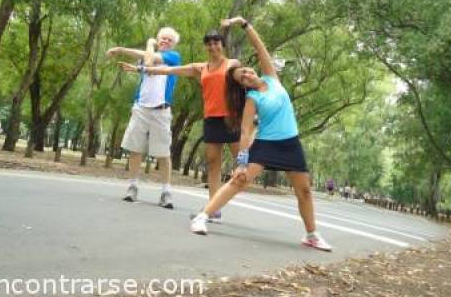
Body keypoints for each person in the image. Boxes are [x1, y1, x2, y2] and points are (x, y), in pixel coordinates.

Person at [189, 16, 332, 251]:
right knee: (239, 180)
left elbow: (260, 47)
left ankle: (312, 235)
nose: (246, 75)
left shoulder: (272, 78)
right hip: (266, 145)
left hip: (290, 143)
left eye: (246, 71)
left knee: (304, 190)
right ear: (243, 85)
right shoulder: (251, 99)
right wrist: (242, 163)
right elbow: (245, 132)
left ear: (253, 70)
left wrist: (244, 24)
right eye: (242, 78)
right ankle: (203, 217)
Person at [136, 30, 241, 222]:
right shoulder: (201, 68)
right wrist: (145, 69)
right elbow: (170, 70)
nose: (213, 46)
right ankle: (214, 209)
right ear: (206, 47)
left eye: (216, 42)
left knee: (243, 166)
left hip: (231, 119)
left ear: (223, 45)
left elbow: (246, 82)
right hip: (211, 119)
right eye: (209, 43)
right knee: (213, 164)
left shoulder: (232, 64)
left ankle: (226, 195)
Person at [106, 27, 182, 208]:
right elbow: (140, 54)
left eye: (169, 40)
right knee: (135, 149)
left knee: (163, 153)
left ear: (173, 44)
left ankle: (166, 192)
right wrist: (121, 50)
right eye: (162, 38)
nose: (165, 41)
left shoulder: (173, 57)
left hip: (161, 111)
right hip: (141, 108)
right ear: (159, 38)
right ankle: (132, 187)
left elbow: (148, 58)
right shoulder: (150, 53)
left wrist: (149, 43)